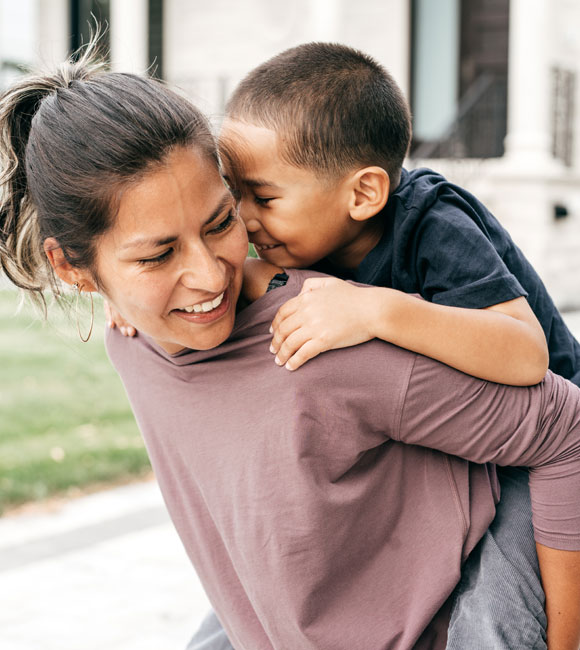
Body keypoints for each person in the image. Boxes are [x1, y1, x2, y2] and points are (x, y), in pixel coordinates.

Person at [2, 47, 580, 650]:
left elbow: (532, 369)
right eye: (156, 255)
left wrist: (377, 309)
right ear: (74, 270)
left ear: (363, 195)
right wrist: (127, 293)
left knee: (493, 624)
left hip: (532, 447)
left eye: (222, 220)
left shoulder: (418, 244)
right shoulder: (140, 332)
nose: (216, 268)